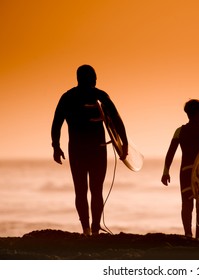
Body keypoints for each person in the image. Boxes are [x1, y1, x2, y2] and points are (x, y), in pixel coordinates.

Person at [51, 65, 128, 236]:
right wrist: (125, 144)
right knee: (96, 189)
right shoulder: (99, 95)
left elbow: (56, 123)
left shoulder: (68, 97)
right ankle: (94, 228)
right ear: (93, 78)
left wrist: (56, 146)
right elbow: (116, 119)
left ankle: (86, 228)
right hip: (97, 150)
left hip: (77, 149)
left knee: (80, 190)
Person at [161, 99, 199, 239]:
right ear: (196, 114)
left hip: (185, 172)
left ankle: (188, 234)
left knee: (187, 203)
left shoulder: (180, 131)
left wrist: (166, 172)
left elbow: (170, 153)